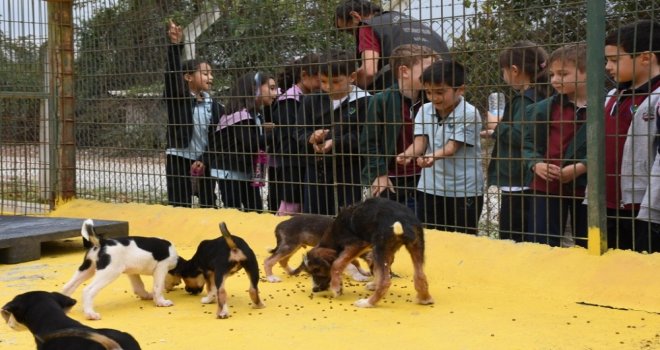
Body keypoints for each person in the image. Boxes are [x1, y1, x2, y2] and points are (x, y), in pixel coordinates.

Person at [397, 60, 484, 234]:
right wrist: (407, 154)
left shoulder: (469, 113)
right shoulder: (425, 110)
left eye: (440, 92)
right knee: (431, 237)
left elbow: (452, 147)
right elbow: (420, 142)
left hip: (463, 189)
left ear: (460, 89)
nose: (434, 98)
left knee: (463, 239)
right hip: (430, 187)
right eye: (428, 92)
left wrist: (432, 157)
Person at [523, 43, 589, 247]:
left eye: (563, 74)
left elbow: (611, 145)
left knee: (587, 244)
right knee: (542, 244)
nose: (554, 80)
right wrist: (536, 164)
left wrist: (582, 167)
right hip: (547, 185)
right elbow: (528, 143)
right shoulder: (543, 109)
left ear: (587, 72)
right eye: (552, 74)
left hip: (587, 187)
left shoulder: (606, 104)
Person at [360, 44, 440, 210]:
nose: (434, 75)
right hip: (391, 179)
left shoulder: (433, 100)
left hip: (425, 176)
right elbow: (369, 142)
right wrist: (379, 173)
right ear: (404, 71)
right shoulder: (381, 101)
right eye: (428, 70)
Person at [603, 20, 660, 252]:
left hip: (645, 209)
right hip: (608, 203)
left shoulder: (657, 98)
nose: (607, 66)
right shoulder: (612, 96)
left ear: (646, 58)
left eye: (615, 60)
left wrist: (652, 207)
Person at [484, 41, 549, 242]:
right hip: (527, 177)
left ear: (514, 70)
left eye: (503, 71)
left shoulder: (524, 100)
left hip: (517, 179)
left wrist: (497, 126)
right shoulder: (541, 94)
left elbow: (522, 136)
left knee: (512, 236)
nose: (503, 76)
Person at [295, 49, 371, 215]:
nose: (328, 86)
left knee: (347, 217)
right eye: (323, 81)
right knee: (315, 218)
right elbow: (299, 131)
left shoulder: (365, 101)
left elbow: (366, 136)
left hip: (349, 171)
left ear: (352, 77)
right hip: (316, 169)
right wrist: (311, 137)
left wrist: (336, 142)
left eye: (335, 81)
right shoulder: (310, 100)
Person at [163, 19, 221, 208]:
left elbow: (216, 137)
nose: (210, 78)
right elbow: (171, 76)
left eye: (211, 74)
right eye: (205, 74)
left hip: (203, 160)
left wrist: (204, 159)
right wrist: (175, 46)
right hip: (178, 157)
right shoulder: (177, 100)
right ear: (188, 77)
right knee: (179, 205)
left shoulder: (214, 105)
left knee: (208, 204)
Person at [334, 0, 449, 92]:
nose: (353, 35)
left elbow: (369, 71)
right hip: (443, 84)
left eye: (349, 30)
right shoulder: (413, 22)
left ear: (355, 16)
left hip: (403, 90)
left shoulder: (366, 26)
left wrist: (344, 84)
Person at [204, 71, 278, 212]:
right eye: (271, 88)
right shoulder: (240, 115)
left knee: (255, 209)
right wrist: (278, 133)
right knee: (234, 210)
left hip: (244, 171)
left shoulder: (255, 114)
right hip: (229, 171)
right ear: (255, 88)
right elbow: (250, 143)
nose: (275, 93)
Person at [267, 53, 321, 215]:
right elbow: (291, 133)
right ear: (304, 75)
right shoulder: (288, 100)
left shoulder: (306, 98)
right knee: (291, 206)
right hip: (291, 162)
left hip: (303, 160)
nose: (323, 84)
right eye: (320, 79)